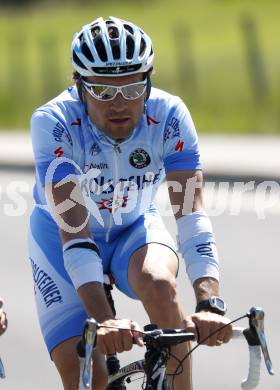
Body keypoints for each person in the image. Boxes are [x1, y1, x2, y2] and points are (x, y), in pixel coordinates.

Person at [29, 16, 232, 390]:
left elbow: (190, 213)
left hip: (134, 226)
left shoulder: (170, 116)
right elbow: (75, 236)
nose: (119, 104)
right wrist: (105, 320)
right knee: (86, 374)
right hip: (58, 241)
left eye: (134, 88)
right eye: (104, 92)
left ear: (149, 80)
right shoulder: (53, 122)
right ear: (80, 86)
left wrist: (209, 302)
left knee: (159, 285)